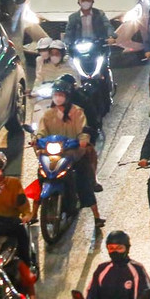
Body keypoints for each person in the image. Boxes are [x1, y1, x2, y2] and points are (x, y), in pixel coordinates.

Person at [37, 76, 102, 226]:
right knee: (40, 174)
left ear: (67, 97)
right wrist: (37, 138)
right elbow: (41, 131)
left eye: (61, 95)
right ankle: (35, 208)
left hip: (73, 153)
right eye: (56, 95)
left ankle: (96, 215)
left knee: (83, 178)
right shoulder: (48, 114)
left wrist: (83, 139)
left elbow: (83, 129)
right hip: (54, 153)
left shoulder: (77, 112)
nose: (58, 98)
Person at [85, 230, 150, 299]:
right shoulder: (102, 269)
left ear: (127, 248)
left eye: (119, 248)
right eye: (111, 248)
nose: (115, 251)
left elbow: (147, 294)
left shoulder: (136, 269)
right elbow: (92, 292)